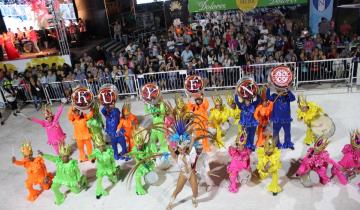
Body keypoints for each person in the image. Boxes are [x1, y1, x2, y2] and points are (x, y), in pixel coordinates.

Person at [167, 120, 198, 210]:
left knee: (195, 189)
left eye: (184, 148)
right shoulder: (177, 157)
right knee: (178, 190)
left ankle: (194, 198)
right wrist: (169, 142)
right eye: (181, 149)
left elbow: (192, 142)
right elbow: (171, 150)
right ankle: (170, 203)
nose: (183, 150)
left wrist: (193, 135)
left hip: (191, 173)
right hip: (183, 174)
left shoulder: (188, 152)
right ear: (178, 149)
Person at [127, 127, 156, 195]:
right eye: (138, 145)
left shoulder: (146, 147)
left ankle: (149, 180)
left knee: (150, 172)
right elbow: (136, 158)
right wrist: (140, 160)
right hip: (140, 166)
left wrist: (151, 157)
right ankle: (139, 188)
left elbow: (150, 154)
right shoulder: (135, 150)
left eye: (141, 145)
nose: (139, 146)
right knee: (138, 176)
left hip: (147, 163)